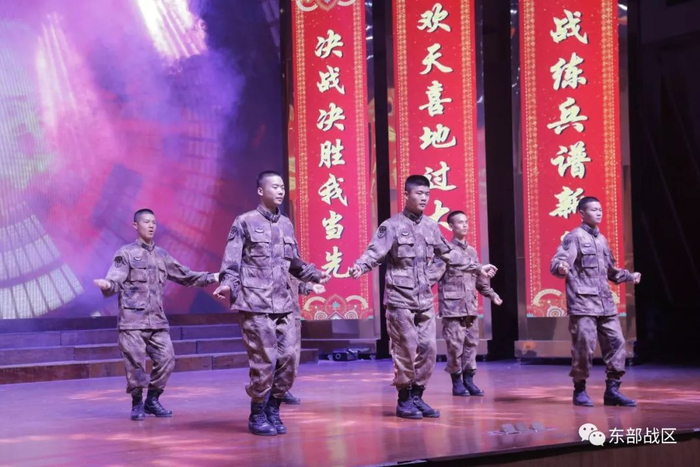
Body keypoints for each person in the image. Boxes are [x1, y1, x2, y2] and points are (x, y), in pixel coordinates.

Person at [348, 175, 497, 420]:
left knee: (429, 349)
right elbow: (374, 252)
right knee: (405, 349)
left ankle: (418, 395)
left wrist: (477, 267)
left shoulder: (431, 226)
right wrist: (360, 266)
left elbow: (449, 254)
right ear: (406, 195)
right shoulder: (391, 226)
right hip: (399, 298)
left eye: (427, 194)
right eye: (419, 193)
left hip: (424, 298)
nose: (424, 198)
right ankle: (404, 398)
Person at [214, 170, 329, 436]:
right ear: (260, 191)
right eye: (275, 187)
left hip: (284, 303)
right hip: (255, 304)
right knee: (264, 362)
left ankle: (273, 409)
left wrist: (314, 274)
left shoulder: (286, 224)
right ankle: (257, 413)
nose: (280, 191)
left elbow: (294, 263)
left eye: (282, 187)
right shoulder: (244, 222)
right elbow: (231, 262)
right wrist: (227, 283)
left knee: (289, 359)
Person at [94, 209, 218, 420]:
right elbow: (115, 280)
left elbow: (186, 276)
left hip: (157, 322)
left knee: (167, 359)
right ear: (135, 226)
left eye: (153, 222)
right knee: (135, 366)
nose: (151, 226)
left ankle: (152, 400)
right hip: (132, 323)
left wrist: (212, 277)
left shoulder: (162, 255)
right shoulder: (125, 254)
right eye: (146, 222)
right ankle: (137, 404)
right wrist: (107, 285)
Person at [550, 196, 641, 407]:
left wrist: (630, 276)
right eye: (593, 209)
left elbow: (611, 271)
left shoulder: (602, 240)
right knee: (584, 347)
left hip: (605, 304)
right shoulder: (574, 237)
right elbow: (558, 262)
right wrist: (561, 268)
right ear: (582, 213)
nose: (598, 213)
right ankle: (580, 389)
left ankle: (613, 390)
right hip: (583, 304)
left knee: (617, 343)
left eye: (600, 209)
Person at [428, 211, 502, 397]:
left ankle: (469, 380)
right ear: (451, 226)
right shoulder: (446, 253)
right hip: (452, 308)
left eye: (466, 222)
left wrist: (491, 294)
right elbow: (432, 276)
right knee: (455, 347)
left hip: (470, 306)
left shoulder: (471, 252)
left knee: (471, 344)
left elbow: (479, 279)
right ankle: (457, 382)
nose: (464, 225)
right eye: (460, 222)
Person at [282, 276, 325, 405]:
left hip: (292, 313)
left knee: (292, 355)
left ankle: (282, 389)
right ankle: (267, 393)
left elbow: (298, 284)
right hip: (273, 314)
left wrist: (311, 286)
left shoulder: (292, 265)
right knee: (276, 355)